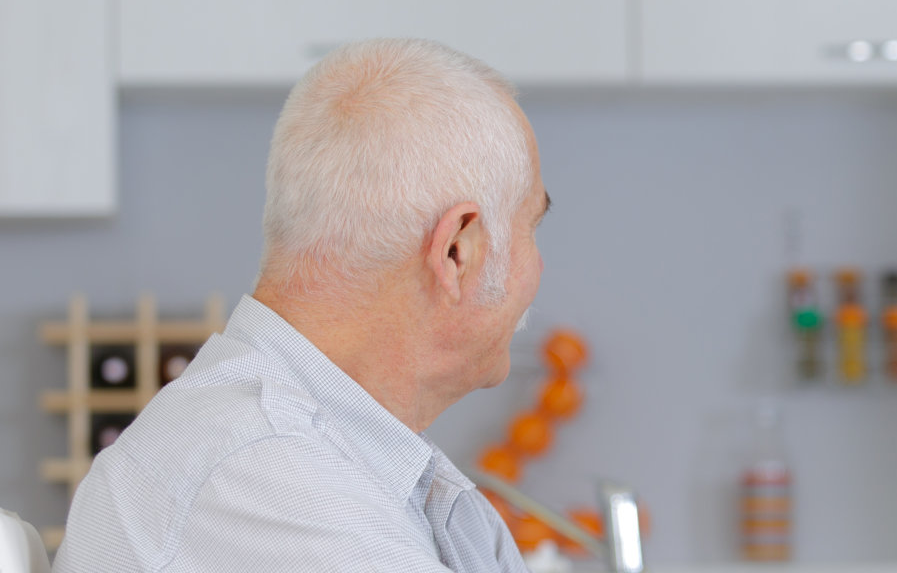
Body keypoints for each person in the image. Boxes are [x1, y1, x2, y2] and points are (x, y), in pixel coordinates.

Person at [55, 39, 550, 572]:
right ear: (457, 250)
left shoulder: (312, 460)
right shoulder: (269, 476)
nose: (539, 268)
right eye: (534, 228)